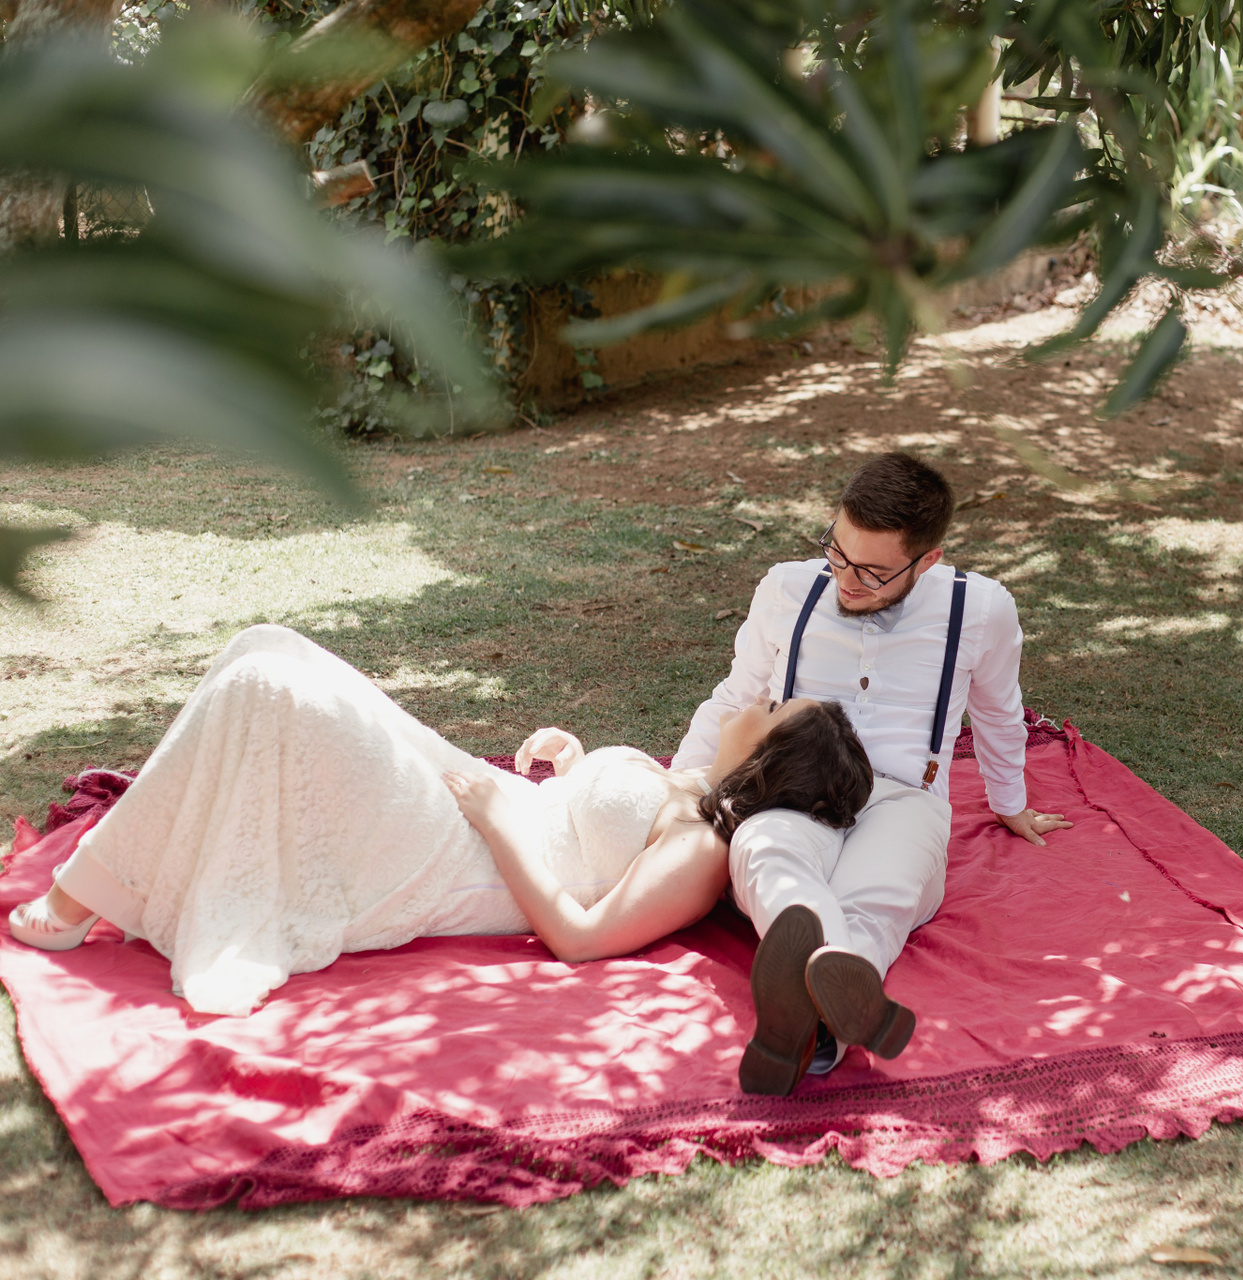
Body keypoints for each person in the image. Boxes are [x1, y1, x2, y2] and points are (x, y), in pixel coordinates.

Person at [7, 624, 874, 1018]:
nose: (761, 699)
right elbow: (595, 827)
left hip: (458, 858)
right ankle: (115, 876)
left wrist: (501, 823)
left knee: (263, 691)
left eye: (775, 709)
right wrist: (575, 761)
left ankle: (87, 890)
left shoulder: (703, 852)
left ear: (772, 757)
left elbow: (581, 936)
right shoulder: (688, 783)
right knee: (264, 647)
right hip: (475, 803)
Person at [675, 452, 1072, 1096]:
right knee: (764, 850)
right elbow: (734, 696)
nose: (847, 580)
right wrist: (680, 783)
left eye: (873, 572)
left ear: (928, 560)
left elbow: (999, 713)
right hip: (793, 786)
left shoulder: (980, 610)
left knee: (883, 891)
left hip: (904, 798)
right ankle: (829, 1012)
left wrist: (1010, 802)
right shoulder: (786, 589)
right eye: (838, 553)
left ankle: (812, 1013)